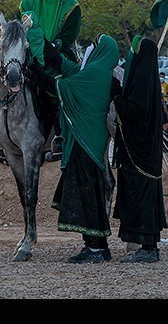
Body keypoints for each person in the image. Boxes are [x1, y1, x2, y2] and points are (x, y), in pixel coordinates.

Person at [47, 33, 118, 263]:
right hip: (92, 143)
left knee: (87, 195)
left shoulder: (96, 73)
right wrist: (52, 53)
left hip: (86, 142)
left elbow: (66, 86)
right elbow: (70, 69)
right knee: (93, 195)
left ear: (103, 50)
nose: (93, 48)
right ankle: (99, 246)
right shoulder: (102, 72)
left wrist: (40, 75)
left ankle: (94, 249)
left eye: (97, 45)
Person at [111, 37, 167, 263]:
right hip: (142, 151)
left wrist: (116, 96)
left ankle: (148, 247)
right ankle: (145, 244)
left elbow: (135, 111)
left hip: (139, 153)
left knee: (141, 195)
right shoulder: (148, 78)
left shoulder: (143, 79)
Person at [19, 0, 82, 70]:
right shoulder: (27, 3)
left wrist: (51, 48)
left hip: (58, 55)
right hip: (27, 56)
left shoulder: (71, 6)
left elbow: (68, 36)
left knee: (73, 82)